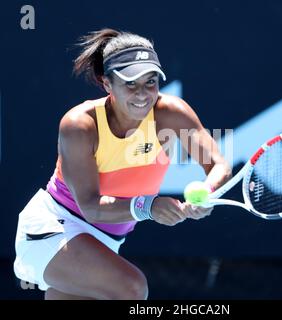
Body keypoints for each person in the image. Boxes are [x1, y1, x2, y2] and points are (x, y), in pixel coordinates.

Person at [13, 28, 232, 300]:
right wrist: (148, 207)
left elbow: (218, 165)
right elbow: (90, 206)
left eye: (150, 82)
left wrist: (207, 193)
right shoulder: (80, 125)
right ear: (107, 84)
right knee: (131, 288)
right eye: (130, 83)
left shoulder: (172, 114)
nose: (142, 94)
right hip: (53, 230)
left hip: (105, 243)